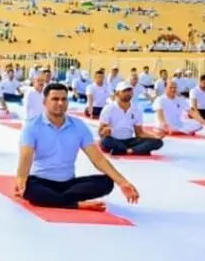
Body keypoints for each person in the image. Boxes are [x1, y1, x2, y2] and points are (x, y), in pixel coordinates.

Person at [16, 83, 140, 211]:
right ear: (44, 102)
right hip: (40, 181)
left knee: (107, 182)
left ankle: (57, 200)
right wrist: (20, 180)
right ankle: (75, 204)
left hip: (69, 184)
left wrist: (123, 182)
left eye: (64, 99)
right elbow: (25, 159)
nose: (60, 103)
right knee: (30, 189)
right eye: (55, 99)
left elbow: (98, 159)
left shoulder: (78, 126)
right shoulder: (32, 127)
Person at [98, 82, 165, 155]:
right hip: (113, 140)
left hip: (130, 141)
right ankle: (135, 150)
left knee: (158, 142)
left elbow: (139, 133)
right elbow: (100, 132)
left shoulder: (136, 109)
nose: (128, 93)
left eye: (130, 90)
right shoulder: (108, 108)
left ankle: (126, 150)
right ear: (117, 93)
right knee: (105, 141)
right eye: (124, 91)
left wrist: (154, 136)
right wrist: (105, 131)